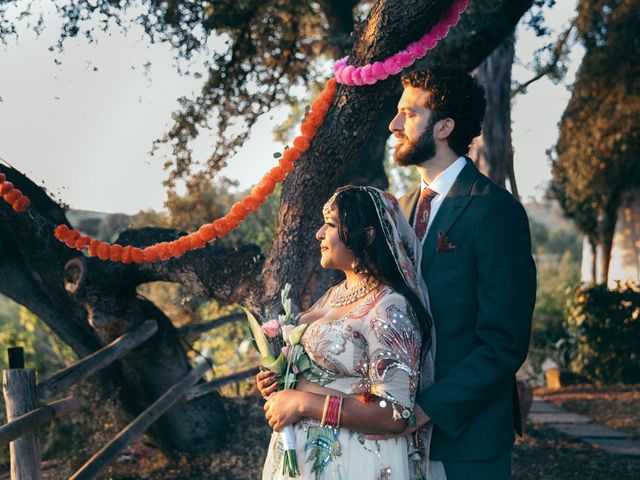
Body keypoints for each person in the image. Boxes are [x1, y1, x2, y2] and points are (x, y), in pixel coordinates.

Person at [388, 66, 537, 479]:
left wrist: (426, 409)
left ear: (444, 127)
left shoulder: (495, 211)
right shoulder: (396, 211)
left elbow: (504, 343)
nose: (394, 124)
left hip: (467, 442)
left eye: (409, 113)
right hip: (391, 440)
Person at [257, 185, 445, 480]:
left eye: (330, 225)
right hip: (302, 455)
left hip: (352, 460)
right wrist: (281, 380)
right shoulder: (332, 296)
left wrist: (303, 403)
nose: (319, 233)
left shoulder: (389, 306)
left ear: (367, 235)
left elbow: (395, 413)